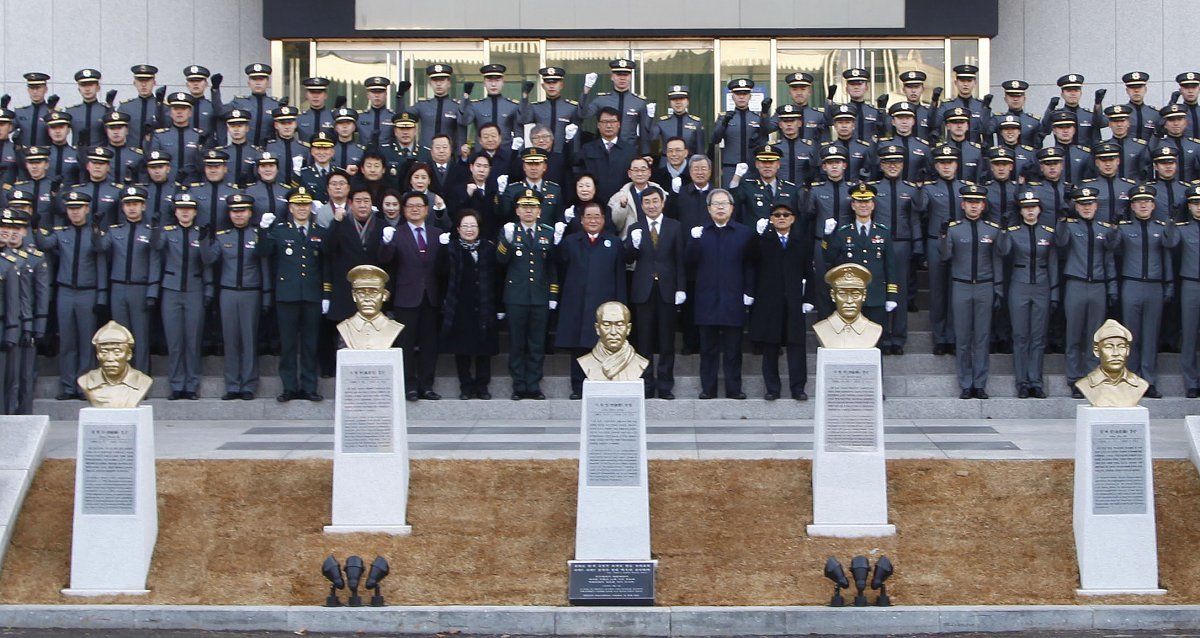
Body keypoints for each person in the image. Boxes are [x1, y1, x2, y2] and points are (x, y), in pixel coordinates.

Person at [256, 185, 331, 402]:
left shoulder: (320, 232)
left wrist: (326, 294)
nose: (301, 208)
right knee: (288, 344)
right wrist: (262, 230)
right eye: (297, 204)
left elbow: (326, 264)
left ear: (311, 207)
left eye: (305, 204)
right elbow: (263, 252)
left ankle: (309, 387)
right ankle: (289, 386)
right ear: (290, 207)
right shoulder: (280, 230)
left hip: (312, 295)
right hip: (287, 295)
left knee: (310, 344)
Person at [1108, 183, 1179, 398]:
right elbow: (1111, 248)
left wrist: (1168, 285)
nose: (1143, 206)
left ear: (1154, 205)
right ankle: (1129, 380)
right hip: (1132, 284)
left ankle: (1148, 380)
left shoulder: (1160, 227)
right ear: (1132, 206)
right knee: (1131, 336)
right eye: (1139, 202)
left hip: (1154, 286)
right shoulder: (1126, 227)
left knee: (1150, 335)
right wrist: (1114, 227)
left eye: (1147, 202)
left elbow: (1169, 250)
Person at [37, 191, 107, 400]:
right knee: (67, 341)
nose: (75, 212)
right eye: (71, 208)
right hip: (66, 291)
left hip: (88, 291)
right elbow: (43, 244)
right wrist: (34, 228)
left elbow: (101, 264)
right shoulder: (61, 233)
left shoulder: (95, 235)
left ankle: (84, 385)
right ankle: (67, 385)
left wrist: (101, 296)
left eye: (78, 208)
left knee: (86, 342)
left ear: (87, 209)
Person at [686, 188, 756, 399]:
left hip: (733, 297)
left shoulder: (744, 233)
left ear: (732, 207)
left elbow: (750, 265)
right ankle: (708, 389)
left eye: (724, 203)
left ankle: (734, 389)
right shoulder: (700, 233)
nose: (720, 207)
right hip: (706, 299)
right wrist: (693, 242)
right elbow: (689, 263)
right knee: (708, 349)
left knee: (734, 349)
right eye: (715, 204)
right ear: (708, 209)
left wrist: (749, 291)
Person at [379, 191, 445, 401]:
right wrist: (387, 243)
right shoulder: (396, 233)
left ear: (426, 210)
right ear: (404, 210)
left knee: (429, 343)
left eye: (419, 206)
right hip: (406, 296)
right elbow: (385, 260)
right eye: (410, 206)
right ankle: (409, 385)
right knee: (405, 344)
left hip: (431, 296)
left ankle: (427, 385)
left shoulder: (437, 233)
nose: (415, 209)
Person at [204, 193, 270, 400]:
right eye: (234, 211)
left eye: (242, 211)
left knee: (249, 340)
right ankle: (232, 384)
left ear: (250, 213)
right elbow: (209, 260)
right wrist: (205, 241)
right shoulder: (223, 236)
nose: (238, 215)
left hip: (251, 292)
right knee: (230, 339)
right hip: (228, 292)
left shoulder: (258, 234)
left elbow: (265, 267)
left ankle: (249, 384)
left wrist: (266, 295)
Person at [556, 202, 626, 399]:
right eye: (589, 216)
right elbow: (560, 267)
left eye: (597, 216)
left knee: (605, 346)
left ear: (604, 220)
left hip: (605, 305)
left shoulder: (613, 242)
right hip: (577, 302)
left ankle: (604, 385)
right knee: (579, 347)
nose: (593, 220)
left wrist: (620, 306)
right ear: (582, 220)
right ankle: (578, 388)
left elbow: (619, 276)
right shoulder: (571, 242)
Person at [941, 184, 1004, 399]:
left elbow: (998, 259)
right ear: (963, 204)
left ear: (983, 205)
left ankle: (980, 383)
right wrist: (943, 237)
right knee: (963, 337)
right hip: (961, 285)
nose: (974, 206)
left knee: (982, 337)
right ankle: (965, 383)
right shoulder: (954, 229)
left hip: (985, 285)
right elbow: (944, 257)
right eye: (970, 202)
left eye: (977, 203)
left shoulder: (992, 229)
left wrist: (999, 288)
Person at [1056, 186, 1119, 398]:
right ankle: (1074, 379)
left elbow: (1109, 258)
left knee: (1095, 338)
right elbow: (1060, 243)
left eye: (1090, 204)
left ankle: (1093, 377)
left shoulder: (1104, 228)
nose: (1086, 208)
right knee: (1074, 334)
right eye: (1082, 204)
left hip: (1098, 285)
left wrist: (1111, 288)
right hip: (1076, 283)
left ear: (1096, 206)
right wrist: (1062, 220)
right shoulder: (1071, 227)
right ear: (1076, 206)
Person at [148, 192, 211, 400]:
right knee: (174, 341)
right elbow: (156, 248)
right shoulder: (168, 232)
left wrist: (209, 289)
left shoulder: (201, 233)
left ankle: (191, 384)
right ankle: (176, 384)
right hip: (171, 290)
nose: (185, 212)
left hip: (195, 289)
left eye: (189, 209)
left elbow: (207, 263)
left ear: (194, 212)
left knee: (192, 340)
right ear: (175, 212)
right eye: (181, 209)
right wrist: (156, 229)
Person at [496, 188, 558, 400]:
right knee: (517, 343)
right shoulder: (510, 230)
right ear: (517, 210)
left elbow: (552, 267)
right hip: (516, 297)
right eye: (524, 207)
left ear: (540, 211)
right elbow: (500, 261)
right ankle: (519, 385)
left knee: (537, 343)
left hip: (540, 296)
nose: (529, 211)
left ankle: (534, 384)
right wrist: (506, 242)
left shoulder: (547, 232)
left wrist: (553, 295)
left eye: (533, 207)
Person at [623, 187, 684, 399]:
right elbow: (628, 258)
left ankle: (665, 385)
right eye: (647, 202)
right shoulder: (635, 227)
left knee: (667, 340)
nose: (651, 205)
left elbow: (680, 261)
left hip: (667, 289)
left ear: (663, 202)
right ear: (641, 206)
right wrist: (634, 245)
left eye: (655, 201)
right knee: (644, 341)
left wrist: (681, 288)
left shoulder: (675, 226)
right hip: (643, 291)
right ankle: (646, 384)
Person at [749, 199, 811, 401]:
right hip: (769, 301)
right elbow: (750, 261)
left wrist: (808, 297)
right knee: (770, 346)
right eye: (777, 215)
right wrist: (757, 236)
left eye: (785, 215)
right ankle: (772, 388)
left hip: (794, 301)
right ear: (771, 219)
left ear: (793, 219)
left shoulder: (801, 241)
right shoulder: (763, 241)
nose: (781, 218)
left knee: (796, 346)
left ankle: (798, 388)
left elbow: (809, 272)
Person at [998, 190, 1058, 398]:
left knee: (1038, 337)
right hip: (1019, 283)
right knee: (1021, 335)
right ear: (1021, 211)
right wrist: (1004, 232)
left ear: (1040, 209)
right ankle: (1022, 381)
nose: (1030, 211)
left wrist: (1055, 292)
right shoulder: (1014, 231)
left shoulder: (1048, 232)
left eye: (1033, 207)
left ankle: (1036, 381)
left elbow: (1053, 264)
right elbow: (1004, 252)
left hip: (1042, 284)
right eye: (1026, 207)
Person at [871, 144, 925, 353]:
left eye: (896, 162)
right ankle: (882, 337)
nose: (892, 166)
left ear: (903, 164)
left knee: (900, 293)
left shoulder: (910, 189)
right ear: (881, 165)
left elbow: (916, 218)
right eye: (887, 162)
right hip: (880, 244)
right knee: (880, 291)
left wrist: (917, 245)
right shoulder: (874, 189)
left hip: (903, 244)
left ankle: (899, 338)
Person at [920, 145, 975, 354]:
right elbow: (920, 211)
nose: (946, 167)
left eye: (949, 163)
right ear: (936, 165)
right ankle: (940, 337)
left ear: (956, 165)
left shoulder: (967, 188)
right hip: (936, 241)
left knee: (957, 292)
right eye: (942, 163)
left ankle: (954, 336)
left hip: (962, 243)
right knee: (938, 292)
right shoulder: (929, 188)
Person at [825, 183, 899, 336]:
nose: (863, 205)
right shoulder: (843, 232)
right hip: (850, 298)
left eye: (867, 202)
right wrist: (827, 235)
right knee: (850, 339)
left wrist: (891, 296)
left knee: (876, 340)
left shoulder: (883, 232)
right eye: (859, 202)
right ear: (853, 205)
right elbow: (829, 258)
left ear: (873, 205)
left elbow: (891, 266)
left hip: (876, 295)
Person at [440, 210, 498, 399]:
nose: (469, 229)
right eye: (465, 226)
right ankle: (465, 386)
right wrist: (441, 250)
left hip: (484, 303)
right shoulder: (451, 248)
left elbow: (496, 278)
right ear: (458, 229)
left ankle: (482, 386)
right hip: (460, 304)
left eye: (473, 225)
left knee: (484, 348)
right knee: (462, 349)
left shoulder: (488, 249)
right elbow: (441, 274)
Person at [99, 186, 156, 373]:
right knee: (120, 338)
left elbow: (155, 263)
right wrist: (95, 229)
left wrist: (152, 291)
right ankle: (121, 377)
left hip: (140, 288)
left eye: (136, 204)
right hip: (118, 288)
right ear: (122, 208)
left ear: (144, 206)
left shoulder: (149, 231)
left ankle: (141, 378)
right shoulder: (115, 232)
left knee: (140, 336)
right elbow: (99, 248)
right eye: (128, 204)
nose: (132, 208)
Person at [808, 144, 855, 317]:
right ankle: (825, 327)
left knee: (848, 286)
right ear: (824, 167)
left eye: (838, 162)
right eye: (830, 163)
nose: (834, 166)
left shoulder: (853, 189)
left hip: (847, 244)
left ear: (845, 165)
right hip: (822, 243)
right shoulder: (816, 190)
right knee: (823, 286)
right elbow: (808, 215)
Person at [579, 58, 650, 152]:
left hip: (629, 150)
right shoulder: (602, 100)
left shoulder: (639, 102)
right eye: (618, 74)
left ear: (630, 77)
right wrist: (586, 90)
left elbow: (643, 132)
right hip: (605, 150)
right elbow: (583, 114)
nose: (622, 78)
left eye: (626, 75)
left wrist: (645, 153)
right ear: (612, 76)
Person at [78, 320, 153, 409]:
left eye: (117, 352)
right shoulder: (86, 381)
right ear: (97, 355)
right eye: (104, 352)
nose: (110, 358)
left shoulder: (142, 381)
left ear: (129, 354)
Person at [573, 106, 638, 204]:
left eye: (612, 121)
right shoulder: (587, 149)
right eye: (604, 122)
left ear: (619, 124)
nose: (608, 125)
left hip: (622, 204)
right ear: (598, 125)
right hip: (594, 205)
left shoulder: (630, 151)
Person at [1076, 319, 1147, 407]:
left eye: (1121, 347)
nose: (1116, 353)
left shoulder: (1140, 384)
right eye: (1109, 347)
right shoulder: (1086, 384)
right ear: (1096, 351)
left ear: (1127, 350)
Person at [812, 263, 883, 349]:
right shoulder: (821, 328)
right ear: (833, 295)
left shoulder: (874, 330)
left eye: (855, 295)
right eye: (842, 294)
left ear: (864, 295)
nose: (849, 301)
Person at [731, 144, 802, 226]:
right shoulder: (748, 186)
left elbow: (796, 218)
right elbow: (733, 200)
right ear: (757, 164)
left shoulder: (790, 188)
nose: (767, 166)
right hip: (755, 237)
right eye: (763, 162)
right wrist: (737, 176)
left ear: (778, 164)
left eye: (771, 162)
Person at [336, 265, 404, 350]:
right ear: (354, 296)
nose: (367, 299)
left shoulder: (394, 327)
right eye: (361, 293)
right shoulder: (345, 328)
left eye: (373, 293)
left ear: (384, 295)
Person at [712, 78, 766, 187]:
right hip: (730, 168)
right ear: (732, 96)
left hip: (752, 169)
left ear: (750, 96)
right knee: (730, 200)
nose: (741, 97)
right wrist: (724, 123)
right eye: (738, 94)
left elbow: (764, 142)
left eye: (745, 94)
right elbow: (715, 139)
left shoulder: (757, 118)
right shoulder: (725, 117)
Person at [577, 301, 649, 382]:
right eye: (606, 325)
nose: (613, 332)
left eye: (619, 325)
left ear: (628, 328)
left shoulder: (640, 364)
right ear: (597, 328)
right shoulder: (586, 362)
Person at [517, 66, 582, 151]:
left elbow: (577, 135)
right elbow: (522, 120)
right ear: (543, 86)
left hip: (564, 155)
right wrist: (525, 97)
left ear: (562, 85)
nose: (551, 86)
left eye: (555, 83)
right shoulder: (536, 107)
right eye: (548, 83)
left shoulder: (571, 107)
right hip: (542, 154)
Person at [216, 63, 280, 147]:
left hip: (269, 151)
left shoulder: (275, 104)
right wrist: (215, 90)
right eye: (254, 79)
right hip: (246, 151)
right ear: (248, 82)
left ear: (267, 82)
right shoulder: (239, 102)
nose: (258, 83)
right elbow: (220, 112)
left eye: (261, 79)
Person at [1175, 185, 1200, 398]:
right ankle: (1191, 382)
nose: (1199, 207)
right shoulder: (1182, 228)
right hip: (1191, 284)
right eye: (1195, 203)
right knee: (1190, 335)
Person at [408, 63, 467, 149]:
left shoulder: (456, 107)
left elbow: (462, 131)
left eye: (442, 80)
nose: (438, 84)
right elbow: (401, 117)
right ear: (430, 83)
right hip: (425, 152)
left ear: (449, 83)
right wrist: (400, 98)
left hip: (447, 154)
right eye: (435, 80)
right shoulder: (423, 106)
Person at [463, 64, 520, 144]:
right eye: (489, 81)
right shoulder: (476, 106)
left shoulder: (512, 106)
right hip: (482, 153)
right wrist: (465, 98)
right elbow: (464, 121)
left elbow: (518, 135)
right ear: (484, 83)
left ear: (503, 82)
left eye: (497, 80)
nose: (493, 84)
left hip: (506, 152)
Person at [647, 85, 705, 157]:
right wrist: (650, 118)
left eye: (681, 99)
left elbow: (700, 151)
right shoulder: (661, 122)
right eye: (674, 99)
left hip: (689, 162)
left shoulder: (696, 123)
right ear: (670, 102)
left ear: (687, 101)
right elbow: (652, 138)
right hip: (667, 162)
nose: (678, 102)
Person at [64, 68, 110, 149]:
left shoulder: (105, 110)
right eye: (83, 85)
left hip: (100, 156)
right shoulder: (71, 111)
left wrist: (111, 108)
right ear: (79, 89)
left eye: (91, 84)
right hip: (77, 156)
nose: (87, 89)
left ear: (98, 87)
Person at [357, 76, 396, 148]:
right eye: (373, 92)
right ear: (368, 95)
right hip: (365, 155)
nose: (377, 95)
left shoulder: (393, 117)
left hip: (387, 155)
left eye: (380, 92)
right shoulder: (359, 117)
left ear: (386, 94)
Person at [296, 76, 335, 142]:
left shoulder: (334, 117)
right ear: (306, 95)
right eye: (312, 92)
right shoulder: (299, 118)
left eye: (319, 93)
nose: (315, 96)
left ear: (325, 95)